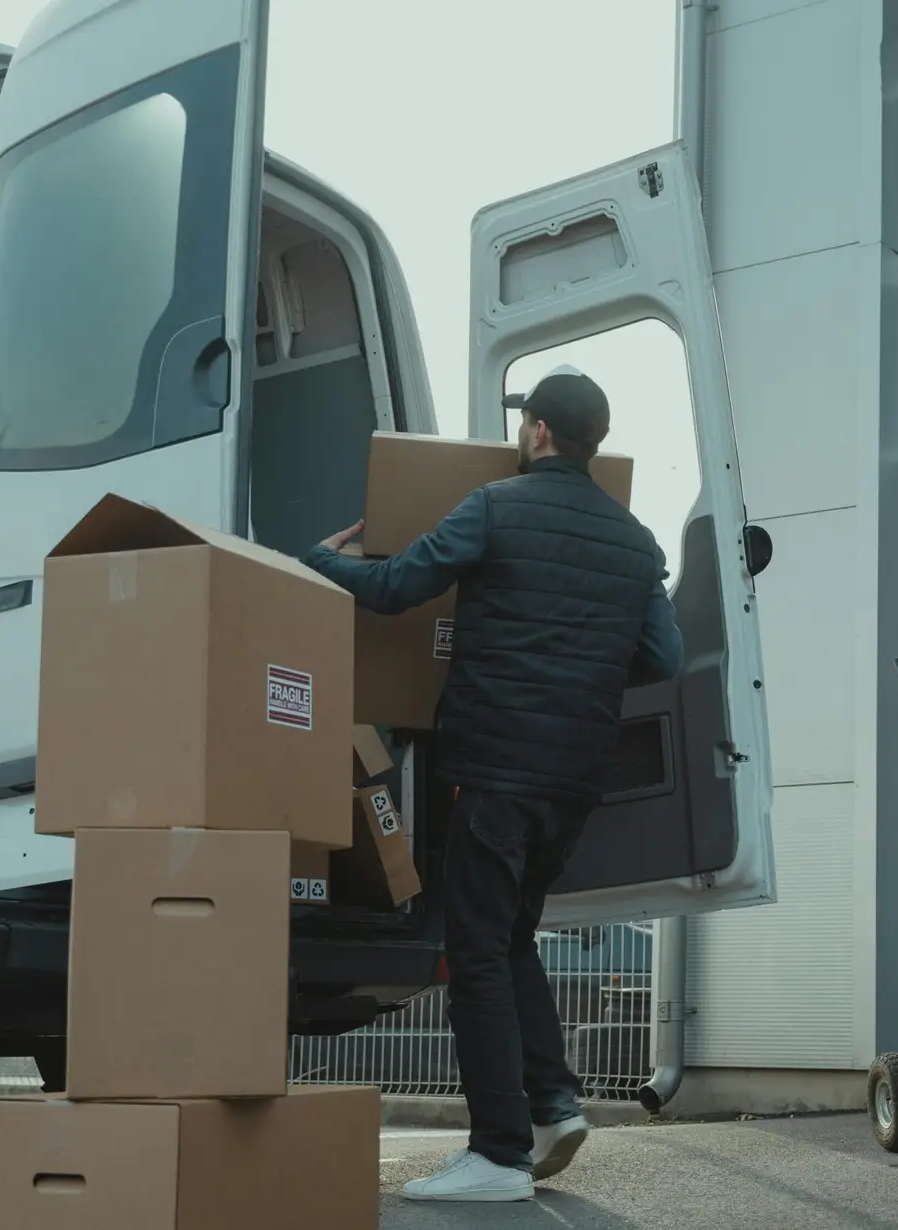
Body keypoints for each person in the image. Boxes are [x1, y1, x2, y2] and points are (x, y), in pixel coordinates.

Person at [304, 366, 684, 1203]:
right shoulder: (633, 540)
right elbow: (665, 658)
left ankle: (499, 1153)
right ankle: (552, 1104)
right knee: (511, 937)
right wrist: (577, 665)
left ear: (539, 431)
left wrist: (318, 562)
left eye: (525, 424)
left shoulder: (494, 507)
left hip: (493, 769)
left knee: (474, 950)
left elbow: (399, 586)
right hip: (573, 779)